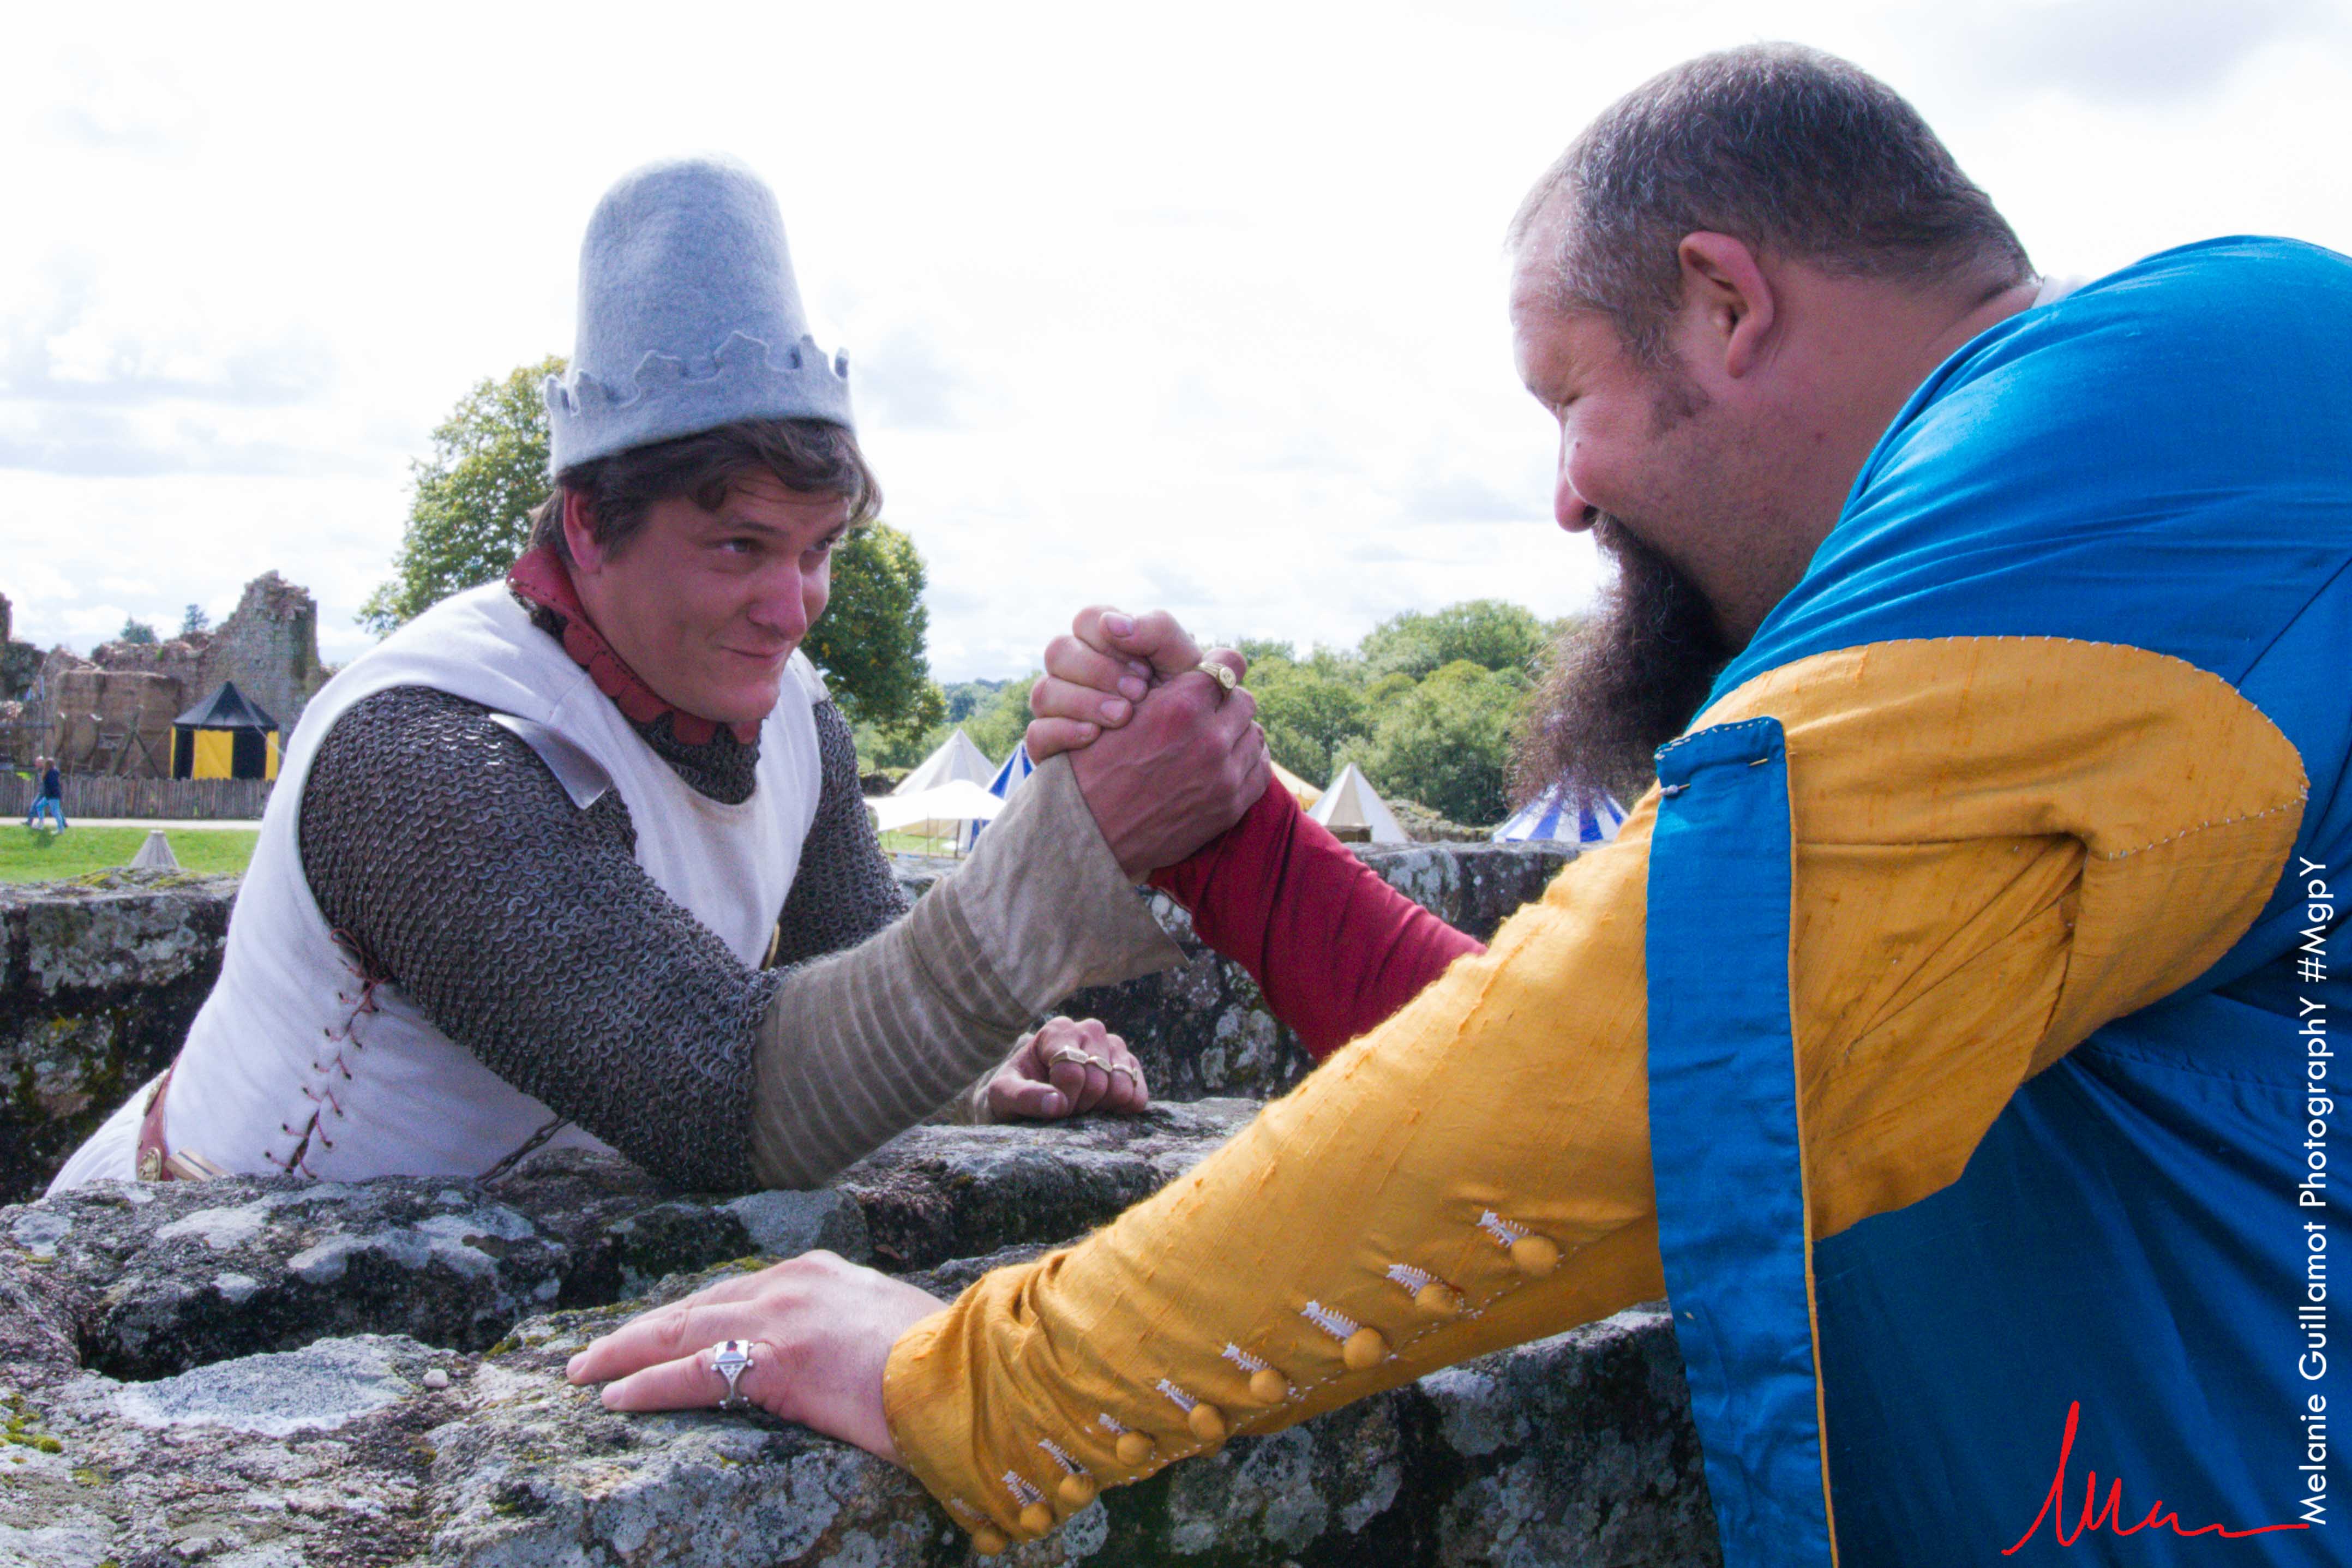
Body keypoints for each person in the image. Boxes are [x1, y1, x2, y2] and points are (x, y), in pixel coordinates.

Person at [569, 45, 2351, 1565]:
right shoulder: (2049, 620)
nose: (1565, 497)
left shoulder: (2210, 398)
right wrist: (1239, 847)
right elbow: (1635, 1091)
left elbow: (1614, 1062)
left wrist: (980, 1380)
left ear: (1726, 305)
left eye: (1569, 396)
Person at [46, 157, 1270, 1195]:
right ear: (590, 525)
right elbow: (727, 1100)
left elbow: (861, 963)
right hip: (195, 1291)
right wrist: (1073, 840)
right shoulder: (423, 753)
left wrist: (979, 1071)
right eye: (739, 545)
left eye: (818, 550)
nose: (791, 607)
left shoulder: (796, 720)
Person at [24, 756, 65, 831]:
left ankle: (61, 828)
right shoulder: (47, 771)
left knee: (56, 812)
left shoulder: (52, 773)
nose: (36, 764)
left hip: (52, 795)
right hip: (48, 795)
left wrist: (49, 793)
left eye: (38, 762)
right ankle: (41, 824)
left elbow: (52, 785)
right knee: (39, 806)